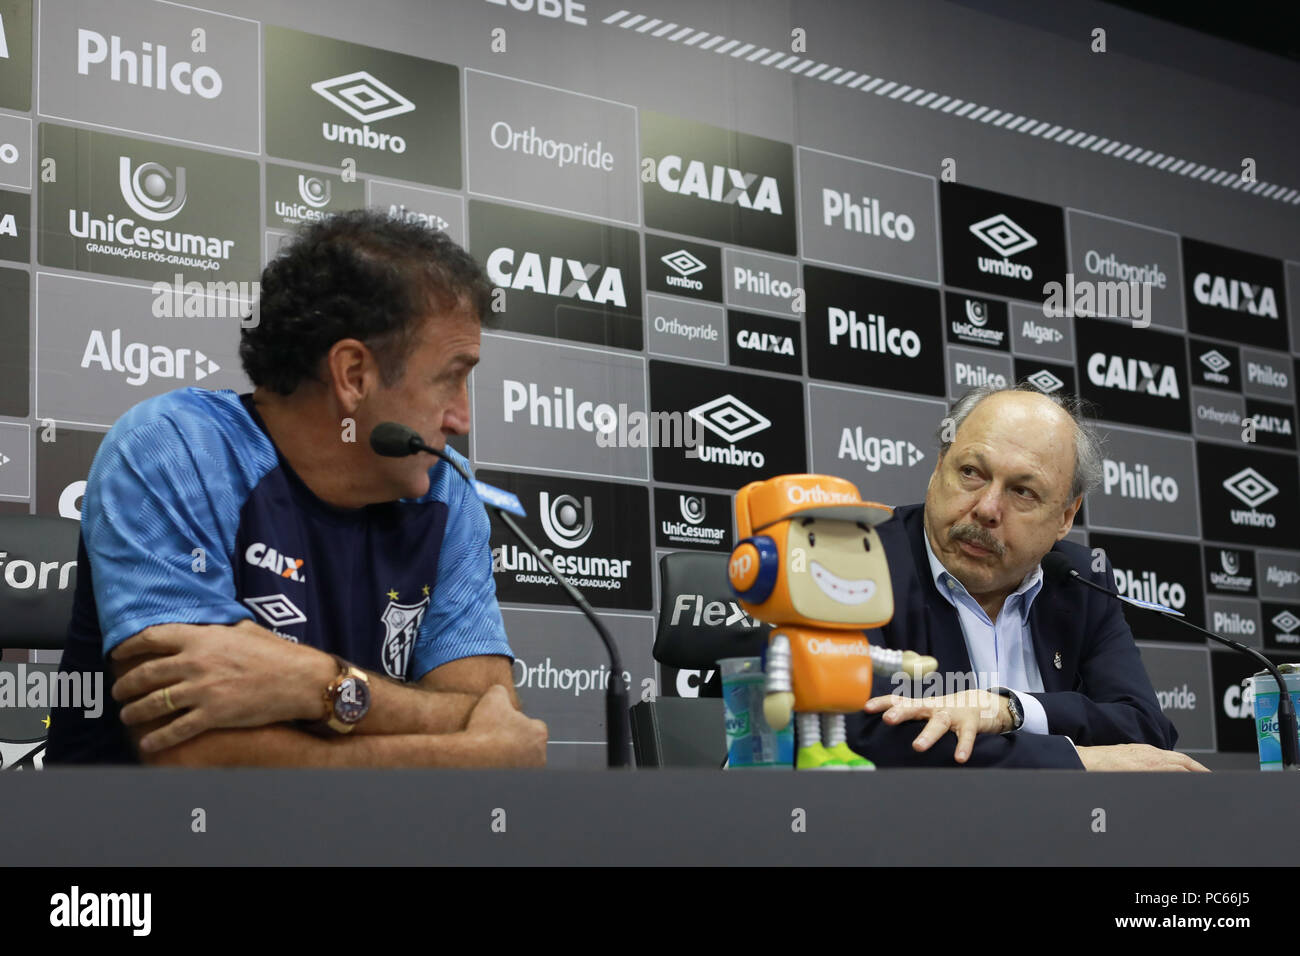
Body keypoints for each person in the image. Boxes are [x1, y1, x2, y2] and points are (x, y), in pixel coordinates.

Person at [46, 210, 548, 767]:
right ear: (353, 375)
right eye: (452, 376)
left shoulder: (444, 491)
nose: (462, 418)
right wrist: (442, 749)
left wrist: (315, 683)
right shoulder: (174, 449)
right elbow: (195, 755)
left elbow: (489, 709)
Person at [846, 385, 1208, 771]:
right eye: (971, 472)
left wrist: (1011, 707)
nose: (987, 508)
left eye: (1023, 491)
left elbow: (1145, 732)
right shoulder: (859, 559)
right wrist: (1078, 760)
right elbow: (867, 736)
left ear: (1066, 517)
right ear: (938, 468)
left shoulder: (1079, 579)